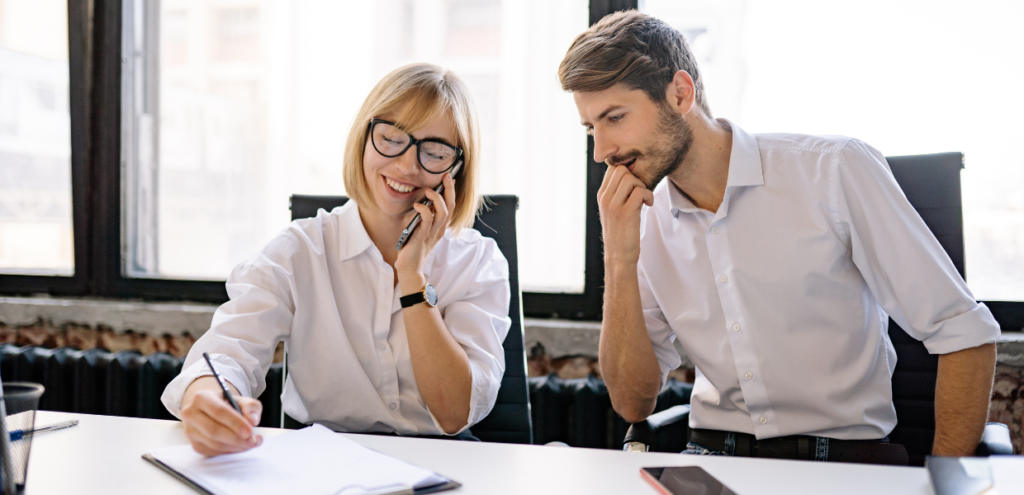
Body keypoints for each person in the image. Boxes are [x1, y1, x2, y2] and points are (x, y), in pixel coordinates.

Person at [559, 11, 998, 463]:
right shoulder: (642, 219)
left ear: (680, 94)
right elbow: (634, 403)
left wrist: (941, 485)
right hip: (712, 462)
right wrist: (618, 256)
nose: (601, 151)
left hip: (843, 465)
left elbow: (965, 333)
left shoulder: (832, 171)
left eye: (615, 117)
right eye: (592, 128)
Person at [161, 63, 511, 456]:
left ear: (456, 171)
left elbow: (453, 414)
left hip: (442, 464)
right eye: (392, 138)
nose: (406, 166)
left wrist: (412, 275)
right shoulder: (299, 251)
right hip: (321, 464)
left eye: (433, 152)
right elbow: (228, 351)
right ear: (364, 137)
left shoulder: (479, 261)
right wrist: (209, 400)